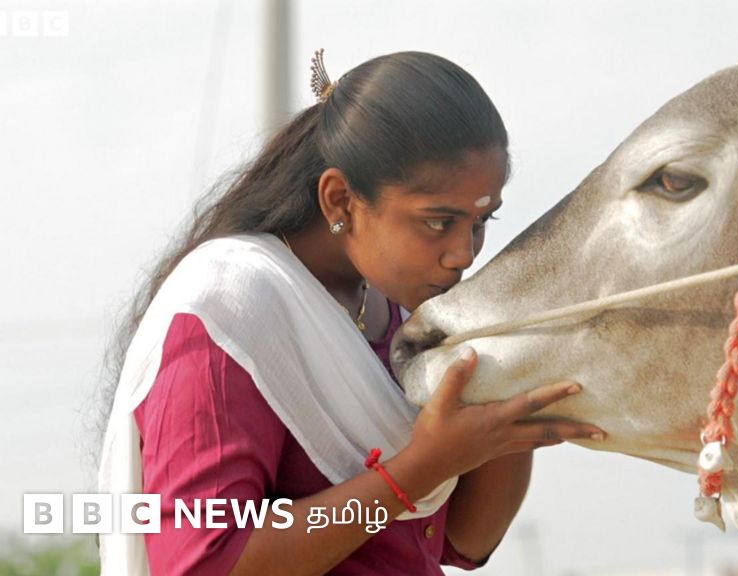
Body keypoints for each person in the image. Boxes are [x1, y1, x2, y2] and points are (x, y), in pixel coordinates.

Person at [97, 50, 605, 575]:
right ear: (340, 201)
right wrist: (416, 470)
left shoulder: (394, 306)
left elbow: (462, 542)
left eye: (480, 222)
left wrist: (511, 408)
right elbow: (205, 563)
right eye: (438, 222)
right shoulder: (227, 313)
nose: (464, 254)